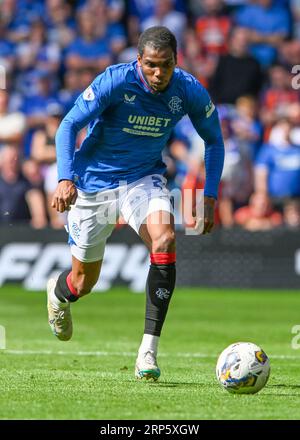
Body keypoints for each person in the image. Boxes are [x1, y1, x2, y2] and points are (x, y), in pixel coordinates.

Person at [47, 26, 224, 381]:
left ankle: (148, 351)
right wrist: (65, 177)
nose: (160, 74)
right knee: (83, 284)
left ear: (177, 60)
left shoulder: (188, 90)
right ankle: (58, 293)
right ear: (139, 60)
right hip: (94, 183)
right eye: (152, 66)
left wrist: (210, 194)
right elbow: (68, 125)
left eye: (167, 66)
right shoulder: (115, 81)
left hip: (143, 180)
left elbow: (214, 140)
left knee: (166, 240)